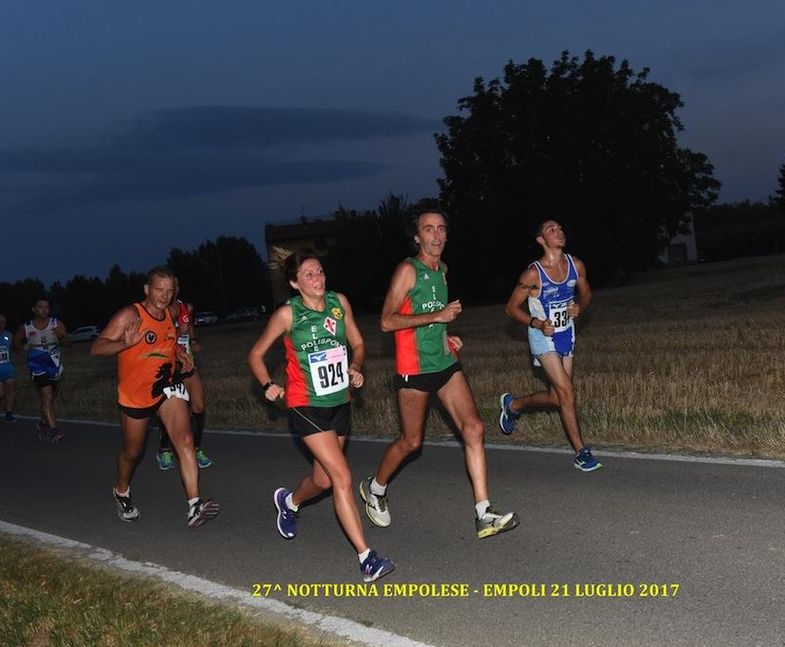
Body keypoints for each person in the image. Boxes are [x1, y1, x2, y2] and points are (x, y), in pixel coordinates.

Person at [359, 209, 519, 539]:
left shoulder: (442, 270)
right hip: (413, 368)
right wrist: (438, 315)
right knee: (411, 441)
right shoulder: (407, 270)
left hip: (443, 362)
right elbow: (387, 321)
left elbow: (432, 319)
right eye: (428, 230)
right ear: (417, 237)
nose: (436, 235)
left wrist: (445, 333)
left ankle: (483, 513)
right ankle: (375, 489)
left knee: (473, 427)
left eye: (442, 229)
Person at [248, 249, 394, 583]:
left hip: (339, 403)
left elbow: (358, 343)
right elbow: (256, 354)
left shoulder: (338, 302)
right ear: (294, 282)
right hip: (305, 405)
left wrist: (356, 367)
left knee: (325, 480)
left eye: (320, 271)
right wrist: (267, 384)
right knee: (342, 477)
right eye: (309, 274)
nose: (318, 279)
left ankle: (289, 501)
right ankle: (366, 558)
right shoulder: (288, 314)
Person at [91, 266, 219, 528]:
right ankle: (121, 490)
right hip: (135, 393)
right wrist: (124, 344)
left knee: (184, 438)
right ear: (147, 289)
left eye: (170, 291)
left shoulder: (171, 312)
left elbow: (167, 341)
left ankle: (194, 506)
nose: (164, 295)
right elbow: (97, 347)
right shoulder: (130, 315)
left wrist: (179, 355)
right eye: (159, 290)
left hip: (166, 385)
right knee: (132, 451)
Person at [497, 219, 600, 471]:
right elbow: (510, 308)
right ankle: (581, 452)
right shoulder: (533, 274)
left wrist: (580, 307)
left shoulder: (576, 265)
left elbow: (586, 294)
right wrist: (536, 323)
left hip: (567, 333)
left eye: (561, 228)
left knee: (557, 397)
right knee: (567, 393)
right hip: (542, 336)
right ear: (541, 240)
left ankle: (513, 406)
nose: (559, 232)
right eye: (551, 230)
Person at [156, 285, 212, 471]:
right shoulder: (159, 312)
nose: (173, 290)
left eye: (176, 286)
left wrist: (193, 340)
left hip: (187, 363)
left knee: (199, 406)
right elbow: (161, 338)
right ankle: (164, 450)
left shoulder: (185, 308)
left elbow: (190, 327)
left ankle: (196, 448)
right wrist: (180, 332)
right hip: (169, 368)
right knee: (171, 412)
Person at [14, 298, 70, 442]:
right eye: (40, 307)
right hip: (36, 363)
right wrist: (21, 347)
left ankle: (43, 424)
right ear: (34, 309)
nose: (44, 310)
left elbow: (68, 343)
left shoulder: (56, 323)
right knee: (47, 395)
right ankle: (54, 431)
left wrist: (61, 335)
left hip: (53, 363)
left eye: (46, 307)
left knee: (51, 396)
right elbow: (16, 341)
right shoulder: (26, 327)